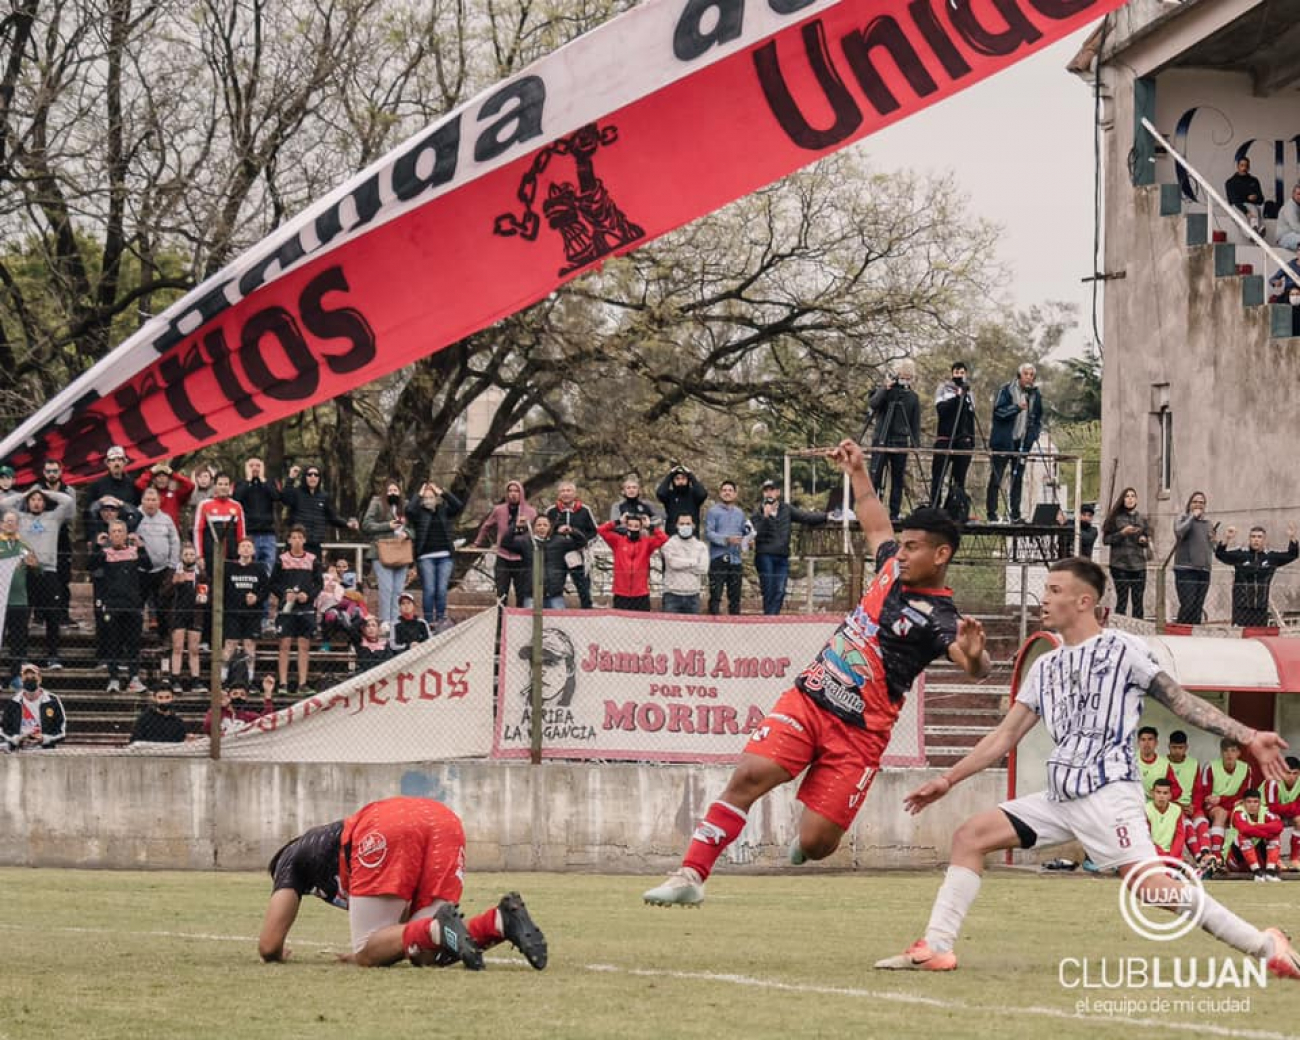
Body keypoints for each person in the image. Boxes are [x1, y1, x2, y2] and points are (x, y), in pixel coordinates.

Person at [873, 557, 1299, 978]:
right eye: (1045, 590)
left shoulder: (1124, 650)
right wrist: (948, 779)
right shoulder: (1046, 666)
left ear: (1083, 601)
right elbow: (1004, 738)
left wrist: (1246, 736)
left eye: (1054, 591)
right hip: (1060, 796)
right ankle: (937, 947)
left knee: (1150, 890)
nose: (1044, 599)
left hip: (1108, 794)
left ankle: (1264, 946)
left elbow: (1181, 702)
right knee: (970, 836)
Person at [643, 440, 991, 907]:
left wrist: (974, 656)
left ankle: (807, 844)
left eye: (913, 548)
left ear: (941, 555)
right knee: (747, 776)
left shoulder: (940, 616)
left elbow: (972, 663)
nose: (901, 553)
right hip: (810, 700)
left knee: (817, 843)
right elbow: (874, 520)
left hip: (859, 736)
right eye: (902, 546)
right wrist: (858, 471)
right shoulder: (890, 567)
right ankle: (690, 873)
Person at [257, 795, 548, 970]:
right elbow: (404, 928)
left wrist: (279, 953)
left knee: (366, 951)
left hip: (386, 824)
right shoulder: (318, 852)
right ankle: (497, 923)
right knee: (425, 954)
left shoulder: (288, 859)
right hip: (443, 821)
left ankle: (437, 927)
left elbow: (268, 946)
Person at [0, 485, 74, 669]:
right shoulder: (21, 519)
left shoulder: (53, 518)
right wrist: (26, 494)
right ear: (28, 502)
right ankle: (22, 657)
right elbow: (3, 504)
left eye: (39, 500)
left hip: (48, 571)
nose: (36, 502)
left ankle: (53, 656)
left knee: (52, 615)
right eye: (33, 500)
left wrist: (44, 492)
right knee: (23, 616)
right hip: (26, 573)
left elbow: (68, 500)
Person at [87, 519, 152, 694]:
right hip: (112, 604)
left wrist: (141, 547)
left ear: (125, 534)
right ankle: (114, 678)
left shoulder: (133, 552)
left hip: (132, 604)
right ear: (109, 535)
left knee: (133, 644)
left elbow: (148, 565)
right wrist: (97, 547)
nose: (117, 534)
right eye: (114, 531)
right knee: (112, 643)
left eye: (120, 531)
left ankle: (134, 678)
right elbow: (90, 565)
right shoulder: (105, 553)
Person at [750, 480, 825, 615]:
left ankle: (771, 618)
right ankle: (769, 620)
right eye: (766, 490)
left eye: (772, 490)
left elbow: (806, 516)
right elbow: (755, 533)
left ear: (778, 492)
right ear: (763, 493)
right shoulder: (757, 513)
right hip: (764, 555)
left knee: (780, 590)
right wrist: (765, 516)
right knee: (768, 589)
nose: (769, 493)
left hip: (782, 555)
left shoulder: (786, 509)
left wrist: (827, 516)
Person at [1191, 736, 1257, 876]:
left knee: (1243, 815)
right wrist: (1220, 801)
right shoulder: (1210, 767)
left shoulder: (1246, 769)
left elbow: (1244, 796)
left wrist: (1221, 798)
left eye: (1233, 750)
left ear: (1239, 753)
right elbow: (1206, 796)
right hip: (1214, 808)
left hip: (1231, 805)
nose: (1229, 754)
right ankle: (1216, 855)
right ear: (1221, 752)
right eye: (1226, 751)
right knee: (1221, 813)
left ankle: (1242, 860)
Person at [985, 363, 1042, 524]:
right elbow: (998, 412)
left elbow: (1038, 418)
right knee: (997, 477)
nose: (1029, 377)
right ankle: (992, 513)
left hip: (1022, 443)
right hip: (1003, 441)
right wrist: (1016, 408)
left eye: (1032, 375)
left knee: (1018, 479)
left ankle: (1015, 514)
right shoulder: (1006, 390)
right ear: (1019, 375)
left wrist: (1033, 436)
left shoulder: (1035, 395)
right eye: (1026, 374)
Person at [269, 525, 323, 697]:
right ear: (289, 540)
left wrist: (308, 596)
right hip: (287, 608)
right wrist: (284, 595)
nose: (297, 540)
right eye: (294, 537)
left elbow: (319, 583)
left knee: (303, 645)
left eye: (300, 537)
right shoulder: (282, 559)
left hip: (306, 607)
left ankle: (302, 683)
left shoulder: (313, 559)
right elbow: (273, 583)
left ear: (305, 540)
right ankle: (283, 683)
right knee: (284, 645)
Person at [1214, 522, 1299, 628]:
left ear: (1264, 540)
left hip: (1261, 607)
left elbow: (1292, 555)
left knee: (1258, 636)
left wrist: (1292, 537)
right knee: (1241, 637)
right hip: (1241, 607)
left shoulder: (1271, 557)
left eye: (1259, 537)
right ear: (1249, 539)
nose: (1256, 539)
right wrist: (1227, 538)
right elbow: (1220, 554)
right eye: (1253, 537)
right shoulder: (1241, 554)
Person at [867, 360, 921, 522]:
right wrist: (885, 388)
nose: (905, 379)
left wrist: (915, 443)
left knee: (898, 478)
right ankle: (871, 510)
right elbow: (873, 404)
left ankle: (894, 513)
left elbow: (915, 422)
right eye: (903, 376)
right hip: (881, 438)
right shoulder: (885, 392)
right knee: (875, 476)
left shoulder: (912, 397)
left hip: (900, 441)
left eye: (908, 376)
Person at [406, 482, 463, 629]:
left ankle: (440, 621)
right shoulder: (419, 513)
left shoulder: (443, 510)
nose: (428, 500)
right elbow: (409, 510)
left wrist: (442, 492)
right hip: (426, 557)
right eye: (426, 498)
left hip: (445, 556)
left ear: (436, 498)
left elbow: (458, 506)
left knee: (442, 589)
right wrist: (419, 494)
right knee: (430, 589)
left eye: (431, 497)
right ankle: (429, 621)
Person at [474, 479, 536, 607]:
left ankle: (519, 623)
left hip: (522, 558)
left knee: (522, 594)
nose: (513, 494)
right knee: (501, 594)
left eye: (516, 491)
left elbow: (537, 531)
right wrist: (477, 542)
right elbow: (486, 526)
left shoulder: (531, 512)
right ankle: (500, 622)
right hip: (503, 556)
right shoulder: (499, 510)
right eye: (510, 491)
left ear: (521, 493)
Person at [501, 514, 584, 609]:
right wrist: (515, 526)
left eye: (545, 525)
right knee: (530, 622)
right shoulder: (525, 541)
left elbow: (581, 542)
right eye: (539, 525)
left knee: (558, 622)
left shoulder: (560, 542)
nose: (542, 528)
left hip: (554, 594)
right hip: (531, 594)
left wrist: (572, 531)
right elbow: (505, 543)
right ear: (533, 527)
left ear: (550, 527)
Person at [280, 464, 359, 559]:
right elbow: (285, 499)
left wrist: (347, 524)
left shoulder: (324, 496)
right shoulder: (296, 493)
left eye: (316, 475)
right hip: (297, 545)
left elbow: (332, 517)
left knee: (315, 572)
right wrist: (291, 478)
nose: (313, 477)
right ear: (305, 477)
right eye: (309, 474)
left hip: (315, 545)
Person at [135, 487, 182, 639]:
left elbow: (175, 541)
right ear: (142, 501)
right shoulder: (134, 517)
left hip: (162, 570)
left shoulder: (166, 519)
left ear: (159, 502)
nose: (150, 503)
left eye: (154, 500)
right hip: (139, 570)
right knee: (137, 605)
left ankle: (164, 637)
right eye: (147, 500)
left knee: (163, 605)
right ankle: (136, 636)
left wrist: (172, 566)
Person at [929, 361, 975, 516]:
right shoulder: (943, 389)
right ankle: (934, 507)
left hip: (962, 440)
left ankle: (955, 508)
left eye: (962, 372)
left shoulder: (969, 393)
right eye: (957, 372)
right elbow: (941, 410)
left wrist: (971, 440)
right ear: (952, 373)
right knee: (939, 475)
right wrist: (957, 398)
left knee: (958, 479)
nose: (959, 375)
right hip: (944, 438)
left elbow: (970, 418)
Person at [362, 478, 410, 625]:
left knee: (398, 590)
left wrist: (407, 533)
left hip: (401, 551)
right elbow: (367, 524)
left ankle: (395, 621)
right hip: (381, 551)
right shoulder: (377, 503)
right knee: (386, 588)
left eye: (395, 491)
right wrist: (387, 525)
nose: (392, 493)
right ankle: (385, 621)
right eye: (390, 491)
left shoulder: (406, 506)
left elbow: (416, 527)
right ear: (384, 492)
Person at [598, 513, 668, 611]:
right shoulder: (618, 541)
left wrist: (650, 526)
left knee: (642, 623)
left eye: (636, 526)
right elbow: (601, 530)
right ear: (626, 526)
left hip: (641, 593)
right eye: (630, 526)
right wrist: (618, 521)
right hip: (621, 593)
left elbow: (663, 538)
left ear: (640, 528)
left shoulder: (646, 543)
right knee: (621, 622)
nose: (633, 529)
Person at [546, 481, 599, 609]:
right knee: (554, 586)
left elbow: (595, 532)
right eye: (563, 491)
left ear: (575, 493)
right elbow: (543, 532)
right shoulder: (551, 511)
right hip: (557, 556)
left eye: (568, 490)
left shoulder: (585, 510)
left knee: (583, 586)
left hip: (578, 554)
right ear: (558, 494)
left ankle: (587, 612)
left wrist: (582, 542)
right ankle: (555, 613)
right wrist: (555, 532)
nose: (566, 493)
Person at [34, 459, 75, 626]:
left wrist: (52, 516)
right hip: (41, 536)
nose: (52, 474)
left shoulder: (69, 490)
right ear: (44, 473)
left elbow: (70, 514)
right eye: (48, 471)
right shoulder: (36, 489)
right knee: (40, 576)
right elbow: (31, 509)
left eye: (55, 471)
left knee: (63, 578)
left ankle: (63, 614)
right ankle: (40, 615)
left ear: (60, 472)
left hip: (62, 536)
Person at [1101, 487, 1151, 618]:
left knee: (1138, 601)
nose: (1130, 498)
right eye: (1127, 496)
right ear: (1122, 499)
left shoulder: (1142, 519)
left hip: (1139, 565)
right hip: (1120, 565)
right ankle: (1120, 628)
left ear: (1136, 500)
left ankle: (1139, 629)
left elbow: (1147, 540)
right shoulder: (1115, 518)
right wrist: (1122, 533)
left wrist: (1143, 540)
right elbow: (1106, 540)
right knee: (1122, 600)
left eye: (1132, 496)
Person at [705, 480, 750, 616]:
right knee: (716, 595)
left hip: (735, 559)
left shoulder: (740, 513)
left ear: (735, 494)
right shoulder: (713, 511)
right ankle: (713, 625)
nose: (727, 492)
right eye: (724, 490)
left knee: (735, 597)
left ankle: (734, 626)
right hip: (718, 558)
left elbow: (744, 532)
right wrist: (726, 539)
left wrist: (749, 541)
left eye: (730, 490)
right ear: (720, 493)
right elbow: (709, 533)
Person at [224, 537, 267, 676]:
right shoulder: (229, 567)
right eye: (243, 546)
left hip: (252, 613)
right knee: (230, 643)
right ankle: (223, 676)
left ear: (254, 550)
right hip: (232, 612)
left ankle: (250, 677)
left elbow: (266, 589)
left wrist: (256, 598)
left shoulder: (259, 568)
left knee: (249, 645)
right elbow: (222, 589)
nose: (246, 549)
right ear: (238, 550)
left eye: (249, 546)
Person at [167, 542, 207, 694]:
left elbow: (207, 593)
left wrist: (204, 598)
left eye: (192, 554)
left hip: (195, 614)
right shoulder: (174, 572)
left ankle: (195, 680)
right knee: (177, 647)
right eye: (186, 554)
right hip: (178, 613)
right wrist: (174, 583)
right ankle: (175, 678)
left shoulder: (201, 574)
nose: (189, 557)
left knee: (194, 649)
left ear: (196, 557)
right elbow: (164, 594)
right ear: (181, 556)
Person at [233, 457, 281, 581]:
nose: (255, 468)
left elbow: (276, 496)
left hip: (268, 534)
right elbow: (236, 498)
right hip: (249, 534)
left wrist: (262, 480)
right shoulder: (240, 483)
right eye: (251, 465)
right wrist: (248, 480)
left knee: (268, 570)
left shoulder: (269, 482)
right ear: (246, 467)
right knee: (250, 571)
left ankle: (264, 598)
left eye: (258, 465)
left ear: (263, 467)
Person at [1, 662, 66, 750]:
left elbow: (61, 732)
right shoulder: (13, 702)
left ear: (40, 679)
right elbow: (4, 729)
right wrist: (17, 739)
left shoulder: (52, 701)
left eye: (33, 676)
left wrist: (44, 739)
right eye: (26, 676)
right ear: (21, 679)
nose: (29, 678)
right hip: (19, 750)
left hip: (45, 750)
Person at [1172, 491, 1214, 625]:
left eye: (1201, 502)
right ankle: (1180, 633)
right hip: (1186, 569)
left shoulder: (1208, 523)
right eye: (1195, 502)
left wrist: (1222, 540)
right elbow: (1179, 532)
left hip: (1203, 570)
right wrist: (1192, 517)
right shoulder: (1182, 518)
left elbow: (1211, 545)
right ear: (1189, 504)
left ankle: (1194, 635)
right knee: (1187, 604)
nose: (1198, 505)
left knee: (1197, 607)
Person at [82, 445, 140, 541]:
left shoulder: (132, 485)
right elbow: (88, 514)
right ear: (108, 463)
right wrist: (92, 537)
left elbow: (137, 512)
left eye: (119, 460)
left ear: (125, 463)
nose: (116, 463)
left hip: (127, 536)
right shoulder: (97, 485)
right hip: (104, 536)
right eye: (113, 460)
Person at [193, 472, 246, 576]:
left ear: (230, 486)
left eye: (226, 484)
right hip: (210, 556)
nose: (223, 487)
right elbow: (197, 531)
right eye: (220, 484)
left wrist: (242, 556)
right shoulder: (204, 504)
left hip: (232, 557)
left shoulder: (237, 506)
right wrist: (199, 556)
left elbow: (241, 534)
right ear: (215, 486)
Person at [1228, 788, 1283, 881]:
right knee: (1243, 836)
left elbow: (1279, 826)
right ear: (1243, 803)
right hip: (1236, 860)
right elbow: (1245, 829)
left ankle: (1270, 872)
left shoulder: (1265, 811)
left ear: (1260, 803)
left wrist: (1257, 825)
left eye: (1255, 802)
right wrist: (1267, 834)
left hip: (1257, 858)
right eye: (1249, 802)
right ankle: (1257, 872)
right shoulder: (1238, 812)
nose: (1252, 805)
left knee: (1275, 836)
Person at [659, 513, 710, 614]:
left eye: (688, 523)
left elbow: (703, 568)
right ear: (676, 525)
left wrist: (681, 563)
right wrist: (694, 562)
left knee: (693, 628)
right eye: (681, 524)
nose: (685, 526)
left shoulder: (701, 546)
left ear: (693, 526)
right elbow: (673, 563)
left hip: (693, 595)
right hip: (672, 595)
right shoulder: (669, 544)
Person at [1263, 756, 1300, 870]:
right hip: (1263, 811)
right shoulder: (1272, 782)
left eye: (1295, 773)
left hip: (1286, 814)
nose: (1292, 777)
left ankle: (1295, 858)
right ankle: (1275, 859)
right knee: (1275, 820)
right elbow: (1272, 808)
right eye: (1288, 773)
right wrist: (1292, 807)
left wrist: (1288, 808)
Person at [135, 461, 195, 530]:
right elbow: (139, 484)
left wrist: (173, 473)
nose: (161, 479)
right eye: (159, 476)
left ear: (169, 479)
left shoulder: (176, 494)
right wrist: (151, 471)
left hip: (171, 533)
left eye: (164, 476)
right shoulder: (150, 494)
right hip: (152, 531)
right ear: (154, 480)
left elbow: (190, 485)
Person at [1145, 778, 1187, 863]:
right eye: (1158, 792)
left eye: (1165, 793)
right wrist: (1166, 857)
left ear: (1170, 795)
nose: (1161, 796)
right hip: (1151, 853)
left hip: (1171, 854)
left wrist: (1172, 856)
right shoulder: (1146, 810)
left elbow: (1179, 837)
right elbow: (1146, 839)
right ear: (1152, 793)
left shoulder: (1177, 810)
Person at [1136, 725, 1181, 802]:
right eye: (1143, 740)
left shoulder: (1164, 764)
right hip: (1134, 805)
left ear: (1156, 742)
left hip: (1157, 807)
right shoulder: (1129, 761)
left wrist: (1161, 796)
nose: (1146, 743)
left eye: (1150, 739)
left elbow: (1176, 790)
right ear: (1138, 743)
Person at [656, 464, 708, 529]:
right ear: (673, 481)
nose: (680, 481)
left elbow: (702, 494)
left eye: (683, 478)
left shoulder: (694, 494)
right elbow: (660, 493)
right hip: (672, 534)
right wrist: (670, 475)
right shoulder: (669, 495)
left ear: (688, 480)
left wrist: (690, 474)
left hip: (692, 534)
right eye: (677, 479)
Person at [1225, 156, 1265, 231]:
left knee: (1253, 207)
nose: (1244, 168)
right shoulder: (1230, 182)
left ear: (1249, 167)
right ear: (1237, 167)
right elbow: (1234, 200)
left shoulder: (1254, 180)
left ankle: (1255, 229)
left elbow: (1261, 199)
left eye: (1246, 166)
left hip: (1252, 206)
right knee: (1243, 215)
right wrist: (1246, 212)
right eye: (1242, 165)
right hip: (1237, 206)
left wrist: (1255, 197)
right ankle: (1255, 232)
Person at [1277, 182, 1300, 251]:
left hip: (1294, 235)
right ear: (1293, 194)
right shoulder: (1290, 206)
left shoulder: (1298, 206)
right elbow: (1295, 226)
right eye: (1298, 194)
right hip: (1285, 237)